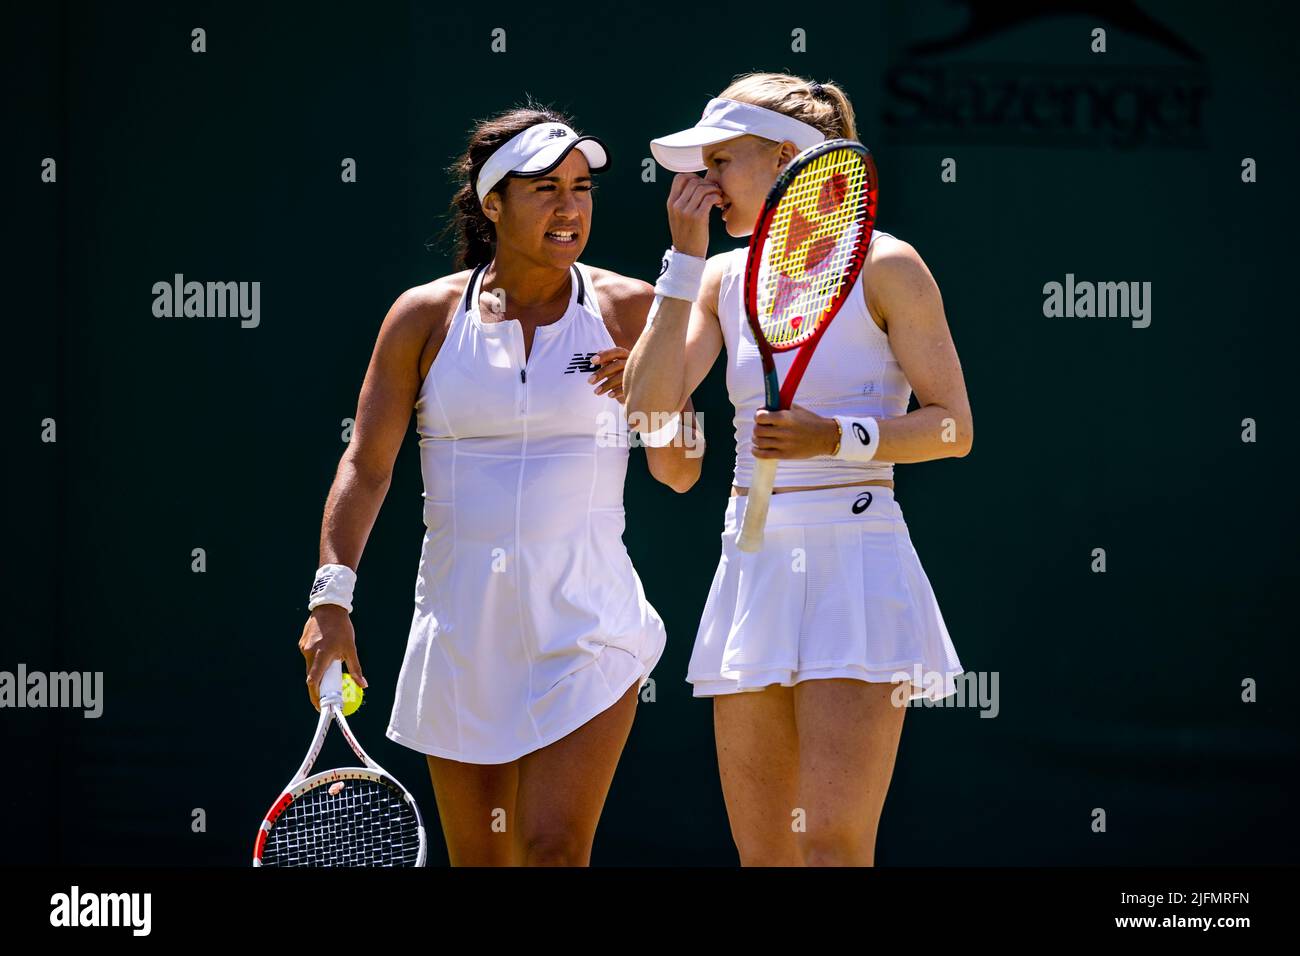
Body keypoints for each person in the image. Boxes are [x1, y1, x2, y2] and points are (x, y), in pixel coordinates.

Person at [297, 104, 702, 866]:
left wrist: (653, 401)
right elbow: (367, 465)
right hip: (460, 634)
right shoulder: (422, 316)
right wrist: (330, 599)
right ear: (493, 204)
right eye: (545, 188)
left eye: (581, 187)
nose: (568, 207)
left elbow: (679, 473)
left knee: (553, 849)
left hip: (589, 629)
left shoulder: (631, 311)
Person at [624, 72, 971, 866]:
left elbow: (953, 428)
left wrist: (834, 438)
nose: (703, 186)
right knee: (767, 856)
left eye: (722, 164)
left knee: (831, 849)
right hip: (751, 565)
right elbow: (648, 414)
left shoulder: (890, 266)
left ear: (789, 159)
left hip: (856, 559)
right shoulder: (716, 278)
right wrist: (681, 265)